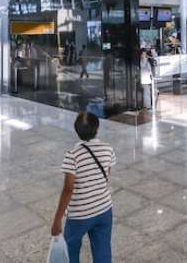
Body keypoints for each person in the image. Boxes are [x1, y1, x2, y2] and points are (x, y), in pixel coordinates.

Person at [51, 112, 116, 263]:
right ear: (97, 128)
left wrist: (57, 219)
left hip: (79, 215)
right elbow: (106, 176)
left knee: (71, 251)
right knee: (103, 251)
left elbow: (68, 189)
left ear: (77, 131)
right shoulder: (108, 149)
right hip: (104, 209)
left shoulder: (72, 155)